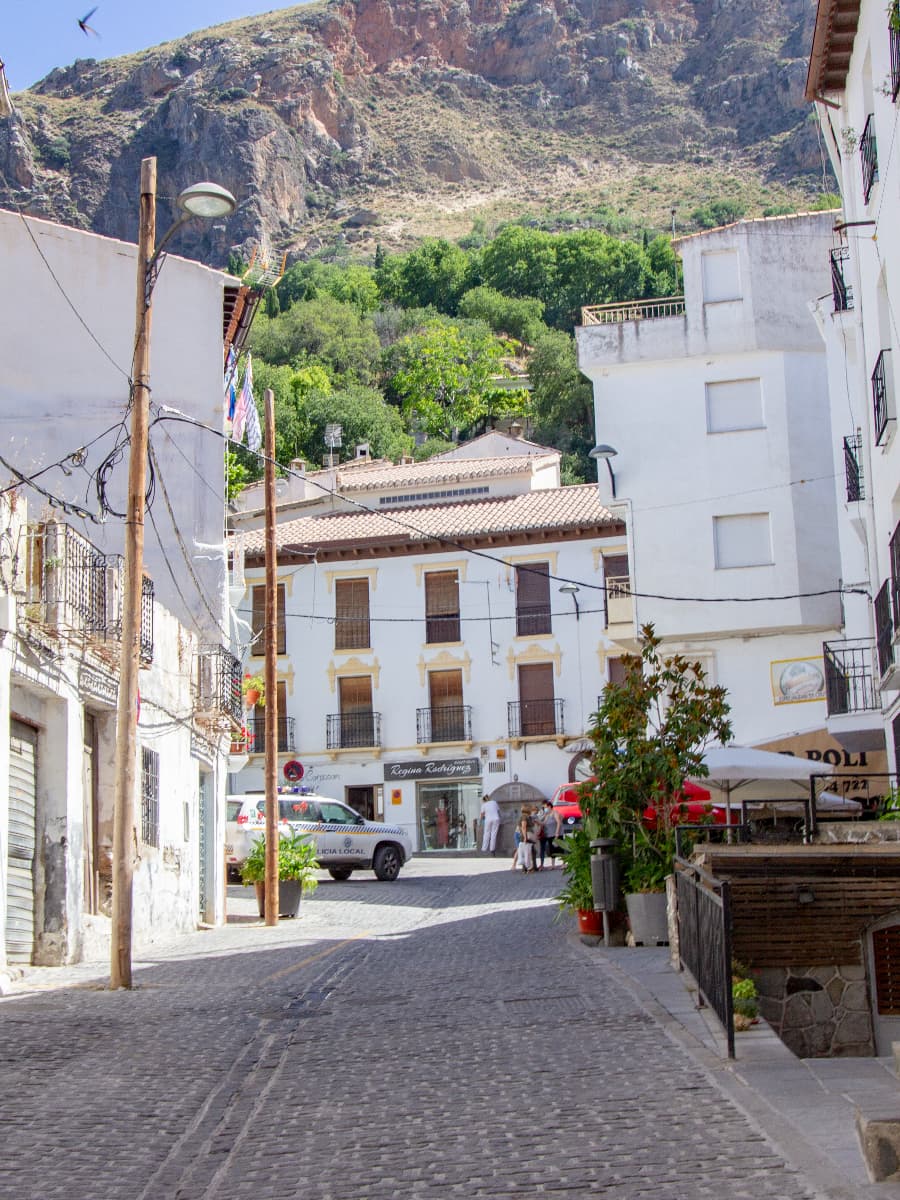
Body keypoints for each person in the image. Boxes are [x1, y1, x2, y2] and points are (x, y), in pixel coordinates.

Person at [538, 797, 562, 868]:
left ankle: (563, 863)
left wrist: (557, 833)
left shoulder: (555, 812)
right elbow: (543, 823)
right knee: (552, 849)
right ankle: (553, 864)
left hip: (557, 833)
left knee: (560, 848)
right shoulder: (547, 815)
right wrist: (537, 821)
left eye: (545, 807)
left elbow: (558, 822)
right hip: (549, 834)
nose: (544, 809)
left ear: (549, 806)